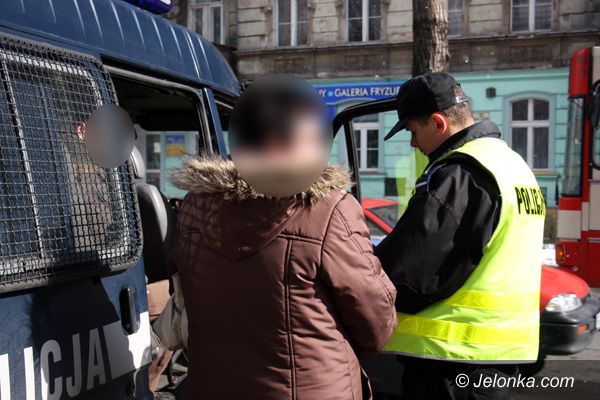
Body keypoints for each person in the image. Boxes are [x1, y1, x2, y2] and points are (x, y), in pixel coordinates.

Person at [167, 75, 397, 400]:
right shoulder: (328, 210)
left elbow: (187, 291)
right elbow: (375, 324)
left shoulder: (195, 205)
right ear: (286, 140)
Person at [375, 72, 545, 400]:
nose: (412, 144)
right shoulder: (512, 165)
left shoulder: (460, 174)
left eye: (412, 131)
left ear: (438, 123)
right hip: (497, 355)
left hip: (451, 363)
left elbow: (411, 272)